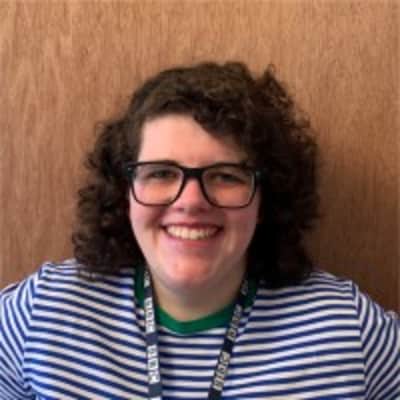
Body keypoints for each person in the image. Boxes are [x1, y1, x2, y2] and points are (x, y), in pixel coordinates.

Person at [0, 61, 399, 400]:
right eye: (161, 173)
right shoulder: (43, 312)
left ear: (266, 199)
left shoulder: (345, 330)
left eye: (225, 175)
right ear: (125, 193)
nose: (191, 202)